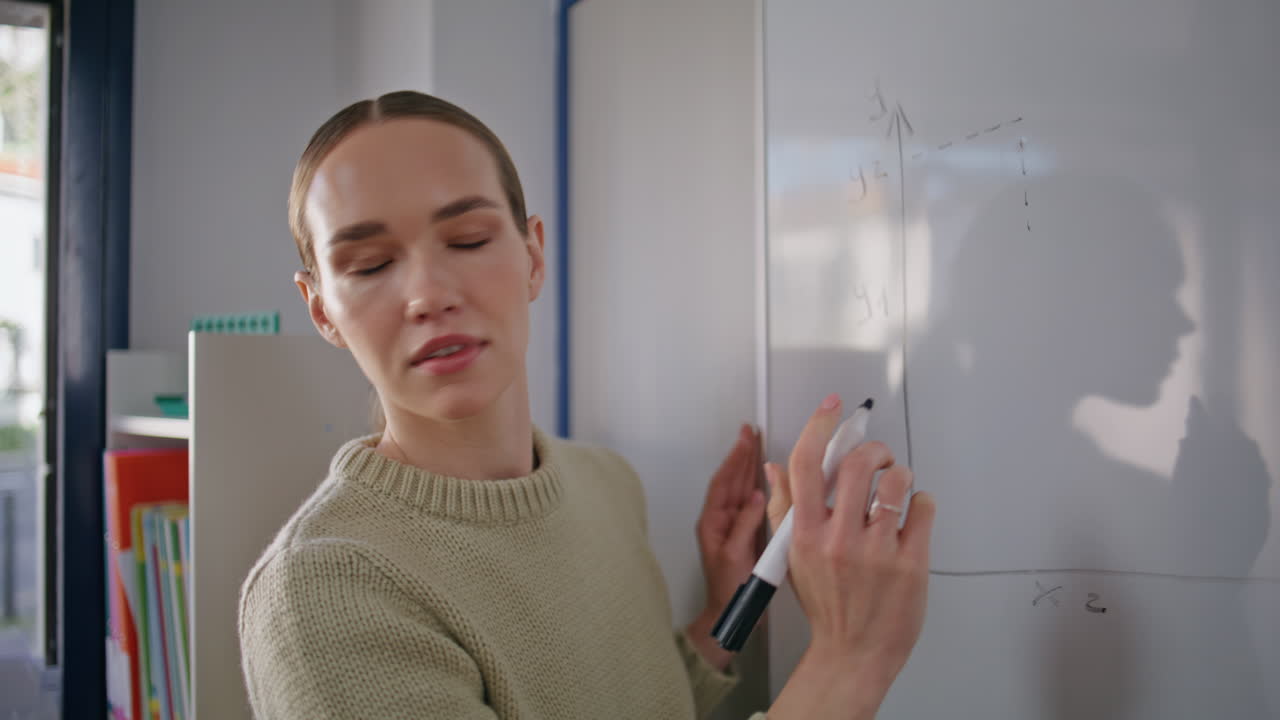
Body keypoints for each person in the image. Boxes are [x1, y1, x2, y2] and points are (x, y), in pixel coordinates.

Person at [237, 90, 936, 720]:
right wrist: (850, 664)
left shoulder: (606, 484)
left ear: (534, 256)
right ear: (322, 309)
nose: (427, 294)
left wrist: (721, 620)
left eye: (469, 239)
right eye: (370, 265)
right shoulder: (323, 595)